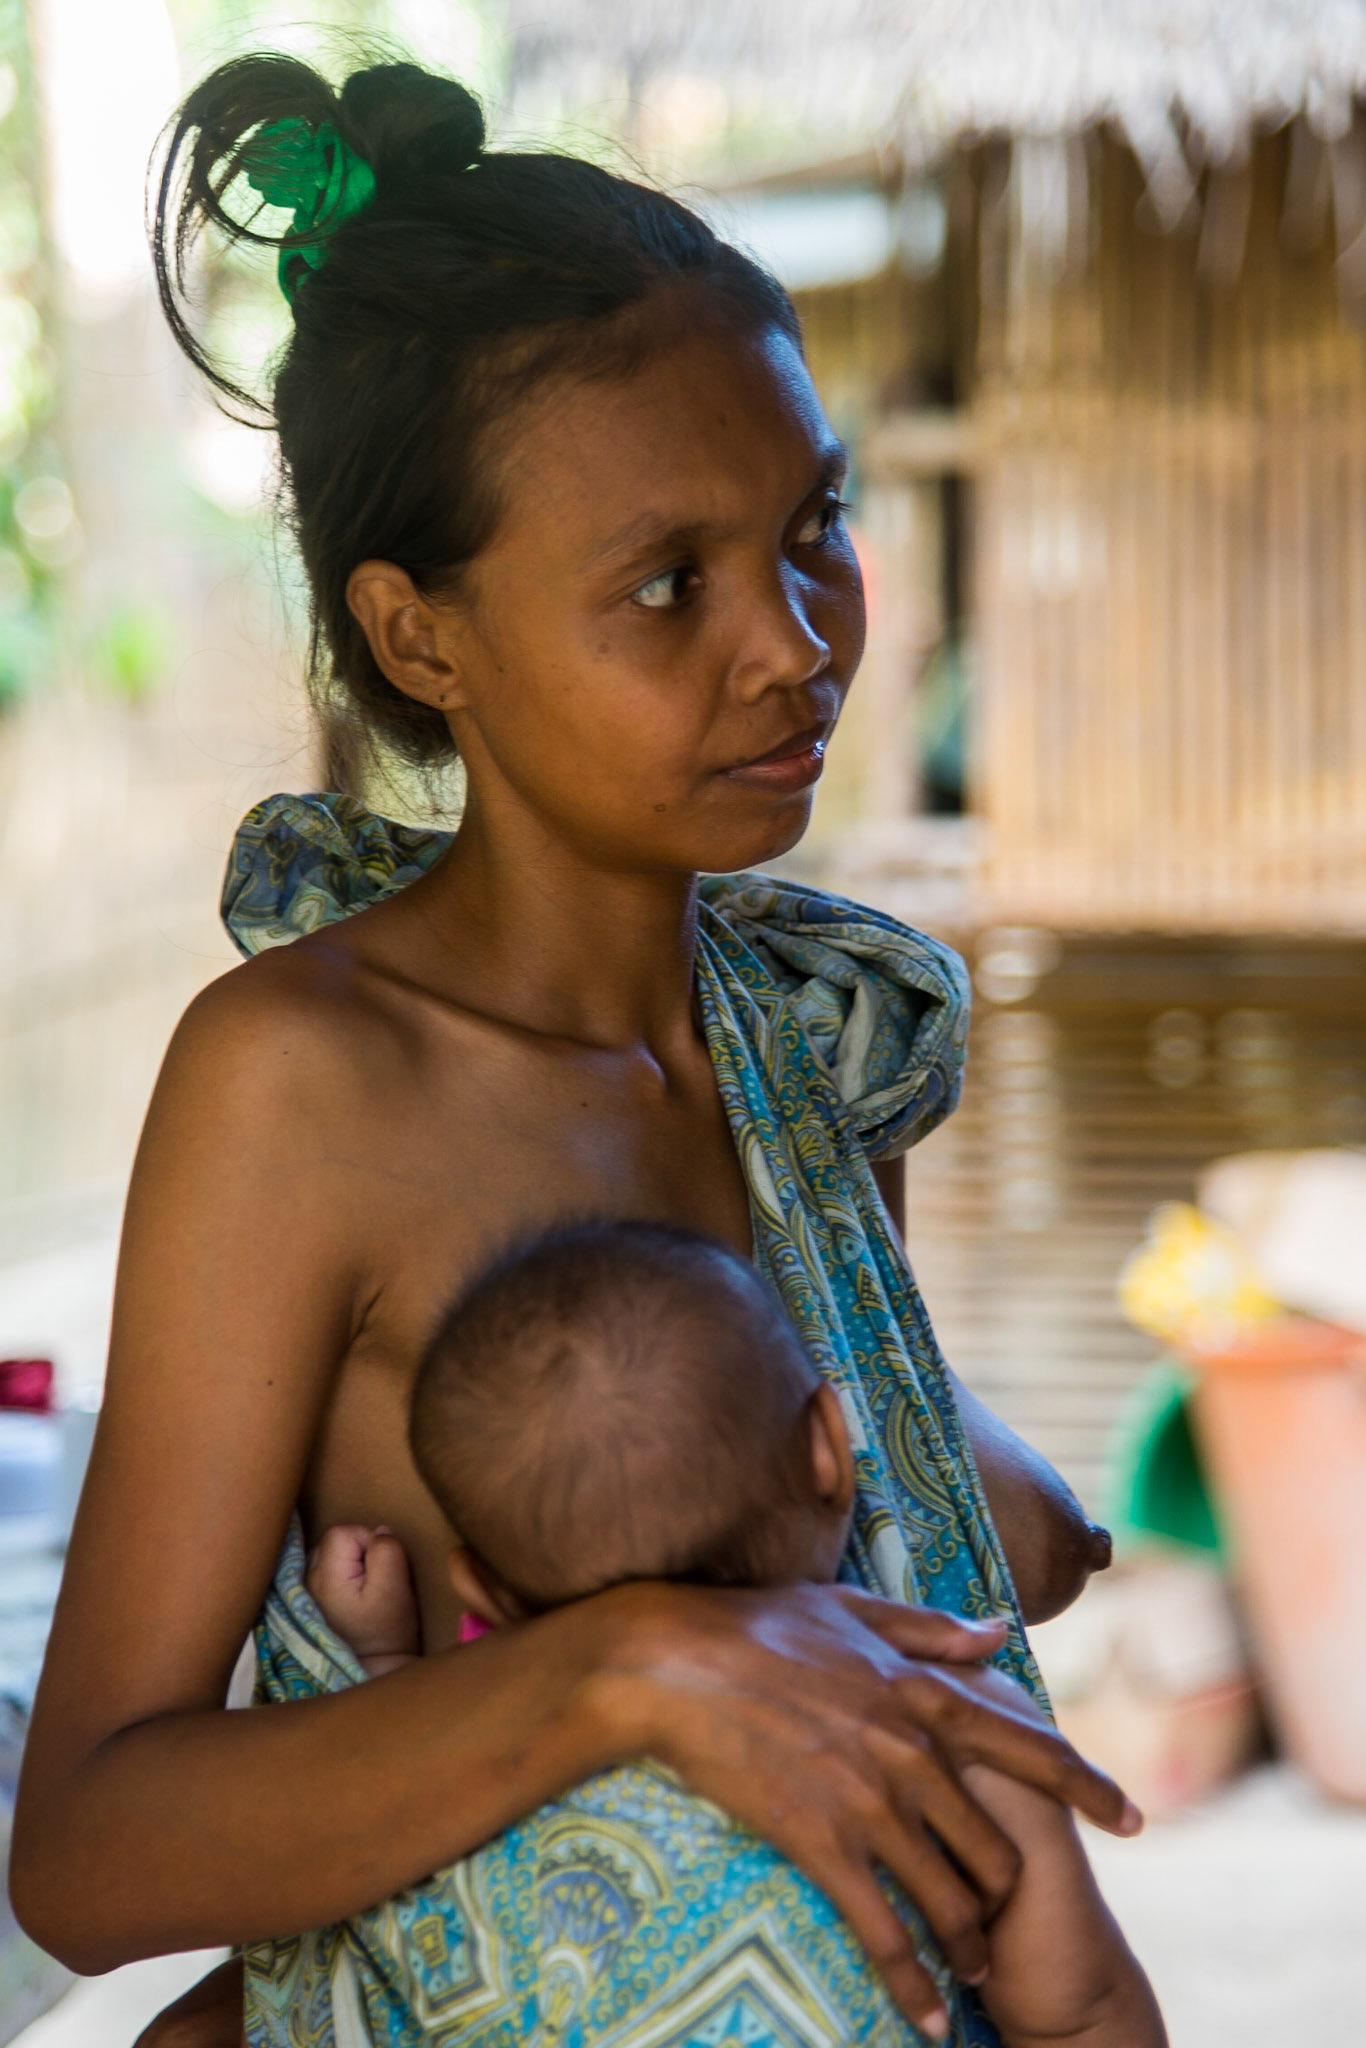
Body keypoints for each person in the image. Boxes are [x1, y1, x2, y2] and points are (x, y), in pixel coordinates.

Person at [11, 52, 1132, 2048]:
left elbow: (880, 1491)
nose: (790, 640)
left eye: (813, 526)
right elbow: (95, 1850)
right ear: (419, 635)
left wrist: (976, 1513)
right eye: (666, 582)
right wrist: (621, 1666)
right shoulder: (306, 1083)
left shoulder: (803, 1036)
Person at [308, 1220, 1165, 2048]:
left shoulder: (482, 1741)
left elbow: (389, 1872)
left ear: (483, 1590)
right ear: (832, 1448)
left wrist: (380, 1658)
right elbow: (1078, 2014)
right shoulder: (944, 1718)